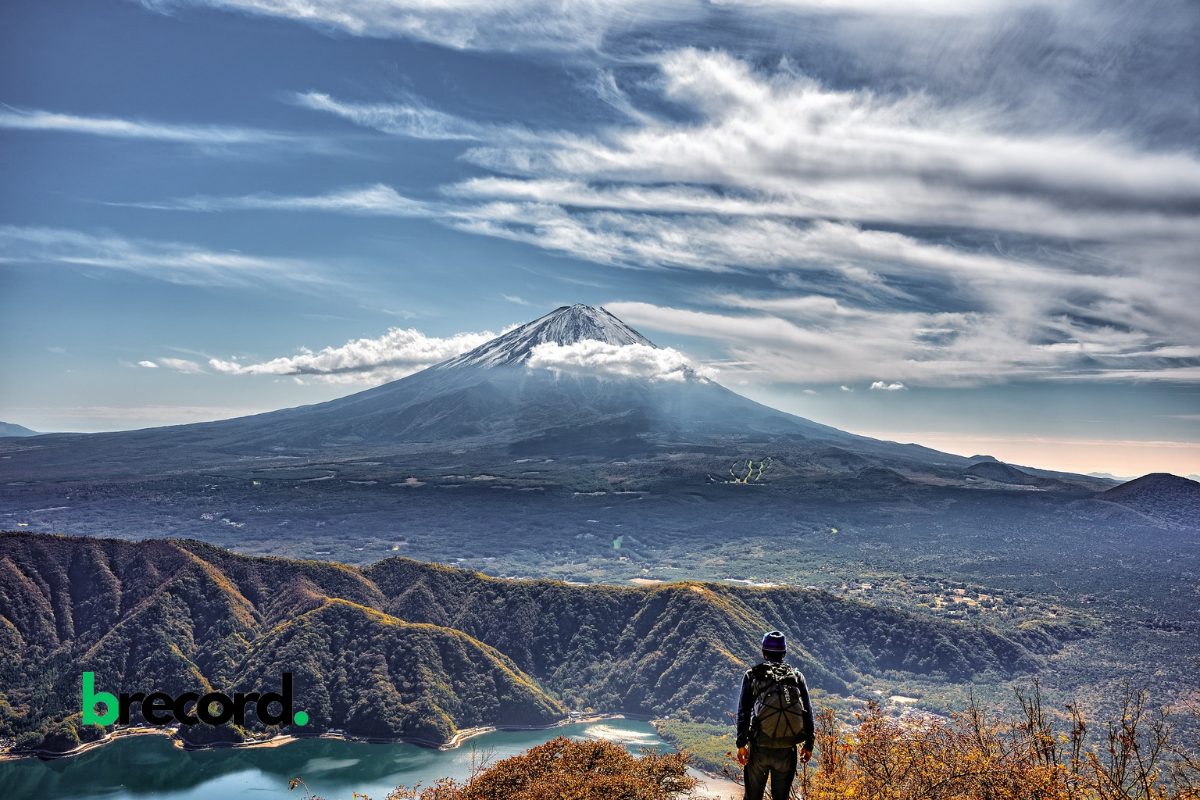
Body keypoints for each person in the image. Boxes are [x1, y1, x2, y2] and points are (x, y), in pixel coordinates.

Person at [735, 630, 814, 800]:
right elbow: (807, 711)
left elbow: (744, 712)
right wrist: (809, 744)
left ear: (764, 654)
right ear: (784, 653)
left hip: (759, 748)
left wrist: (741, 744)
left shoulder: (753, 676)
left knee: (752, 797)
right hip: (787, 750)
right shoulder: (796, 677)